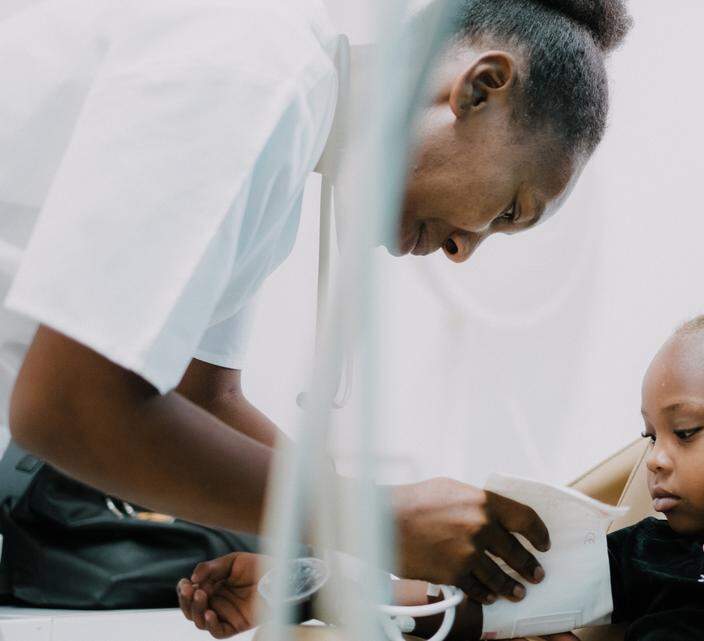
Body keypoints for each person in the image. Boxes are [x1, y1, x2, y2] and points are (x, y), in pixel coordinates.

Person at [0, 0, 630, 605]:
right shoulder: (254, 63)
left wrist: (369, 566)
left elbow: (205, 396)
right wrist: (377, 520)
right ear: (480, 88)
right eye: (508, 210)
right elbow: (67, 404)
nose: (464, 250)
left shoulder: (286, 130)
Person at [177, 276, 704, 640]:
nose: (655, 461)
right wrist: (316, 587)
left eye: (684, 433)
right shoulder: (642, 548)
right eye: (649, 435)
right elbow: (474, 606)